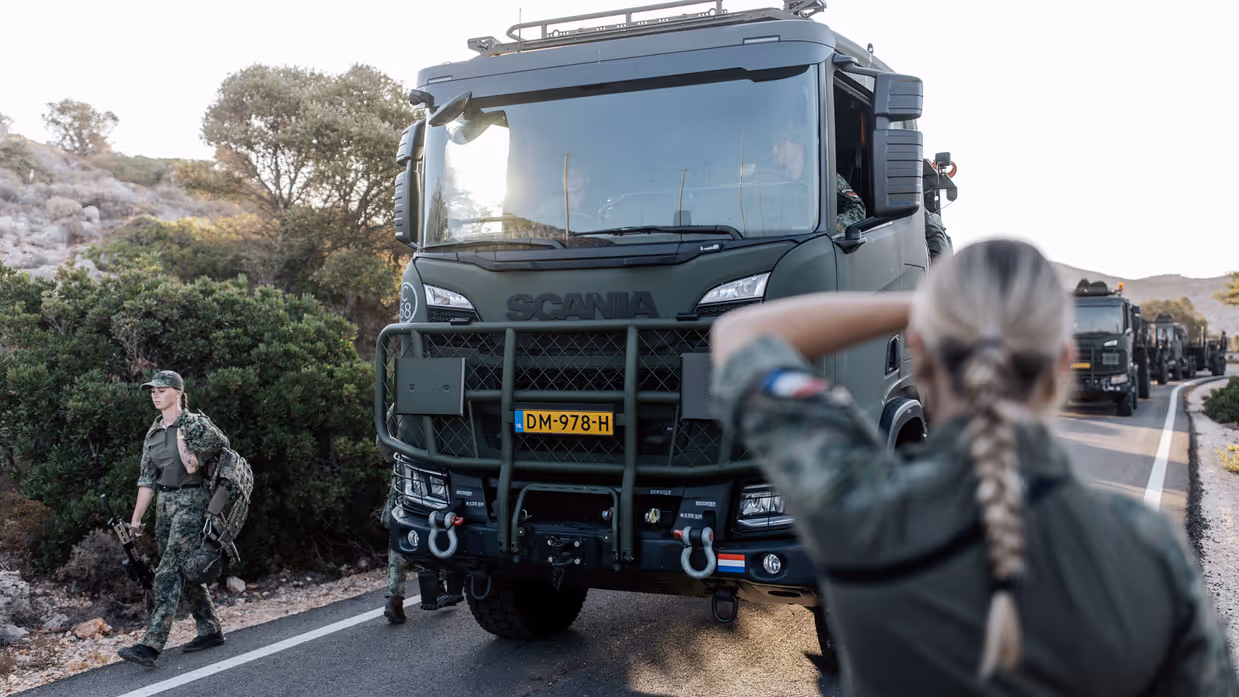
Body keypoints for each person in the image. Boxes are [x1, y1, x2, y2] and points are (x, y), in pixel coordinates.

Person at [709, 240, 1236, 695]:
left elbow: (742, 334)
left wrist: (930, 306)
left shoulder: (862, 508)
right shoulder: (1150, 550)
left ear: (920, 346)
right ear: (1060, 364)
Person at [118, 370, 229, 668]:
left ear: (178, 393)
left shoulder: (192, 422)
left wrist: (186, 439)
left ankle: (151, 645)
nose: (155, 394)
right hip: (165, 505)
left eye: (161, 390)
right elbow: (147, 479)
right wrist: (136, 519)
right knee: (186, 568)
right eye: (152, 390)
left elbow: (219, 444)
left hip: (192, 501)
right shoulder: (152, 433)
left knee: (168, 570)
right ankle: (210, 630)